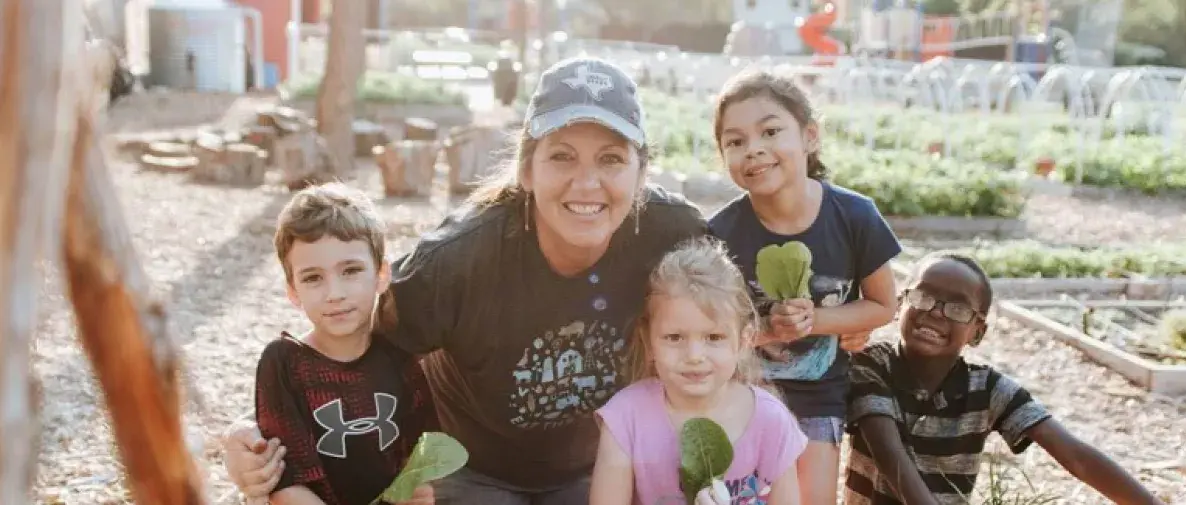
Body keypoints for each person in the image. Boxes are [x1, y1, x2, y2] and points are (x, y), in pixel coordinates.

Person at [222, 56, 710, 504]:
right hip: (467, 472)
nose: (587, 182)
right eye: (562, 156)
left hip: (597, 467)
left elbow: (742, 316)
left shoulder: (672, 233)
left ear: (641, 172)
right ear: (526, 169)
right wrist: (256, 433)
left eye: (611, 159)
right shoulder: (450, 265)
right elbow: (344, 348)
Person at [707, 69, 901, 505]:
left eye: (771, 131)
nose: (753, 148)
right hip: (740, 394)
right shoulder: (719, 234)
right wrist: (765, 327)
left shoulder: (855, 217)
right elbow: (710, 327)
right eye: (735, 141)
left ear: (810, 136)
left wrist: (816, 320)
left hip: (818, 396)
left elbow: (882, 304)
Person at [845, 252, 1165, 505]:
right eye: (923, 297)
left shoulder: (986, 389)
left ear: (978, 332)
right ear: (901, 303)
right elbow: (890, 455)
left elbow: (1074, 455)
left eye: (957, 308)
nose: (936, 312)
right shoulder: (873, 365)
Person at [255, 183, 438, 505]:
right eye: (313, 277)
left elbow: (421, 449)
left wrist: (416, 491)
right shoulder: (283, 363)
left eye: (350, 270)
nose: (334, 293)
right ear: (293, 291)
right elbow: (285, 483)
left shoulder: (398, 356)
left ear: (381, 275)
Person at [589, 238, 807, 505]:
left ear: (744, 341)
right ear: (648, 341)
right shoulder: (625, 419)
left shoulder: (772, 422)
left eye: (714, 337)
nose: (694, 356)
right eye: (674, 337)